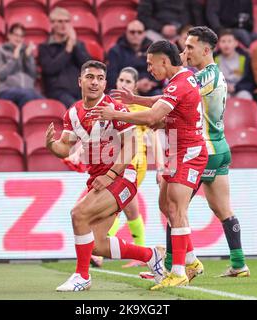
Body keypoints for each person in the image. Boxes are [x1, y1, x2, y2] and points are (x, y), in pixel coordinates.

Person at [111, 27, 250, 279]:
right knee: (221, 210)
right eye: (183, 48)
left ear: (206, 50)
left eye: (189, 48)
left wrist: (175, 67)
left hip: (201, 146)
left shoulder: (202, 77)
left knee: (173, 206)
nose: (185, 52)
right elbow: (169, 97)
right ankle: (239, 264)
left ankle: (174, 265)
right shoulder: (207, 75)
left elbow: (173, 94)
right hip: (218, 145)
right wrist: (139, 99)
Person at [95, 41, 208, 290]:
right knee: (165, 206)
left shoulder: (179, 83)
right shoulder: (182, 79)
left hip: (188, 153)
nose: (148, 68)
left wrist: (117, 114)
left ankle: (178, 271)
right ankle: (191, 261)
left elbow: (151, 117)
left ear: (164, 61)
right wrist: (135, 98)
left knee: (177, 210)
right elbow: (162, 101)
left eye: (150, 63)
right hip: (176, 151)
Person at [45, 60, 165, 292]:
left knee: (78, 214)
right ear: (80, 81)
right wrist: (50, 145)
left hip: (122, 176)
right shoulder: (74, 113)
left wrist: (110, 175)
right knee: (98, 245)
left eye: (100, 78)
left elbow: (131, 146)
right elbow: (65, 148)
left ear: (105, 83)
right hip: (100, 179)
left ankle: (82, 276)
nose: (95, 82)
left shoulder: (115, 108)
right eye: (90, 77)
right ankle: (152, 256)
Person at [93, 67, 165, 269]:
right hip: (114, 162)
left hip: (134, 164)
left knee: (113, 205)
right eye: (121, 80)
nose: (123, 85)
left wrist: (160, 168)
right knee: (129, 208)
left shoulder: (138, 109)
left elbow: (154, 139)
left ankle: (98, 249)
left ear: (133, 86)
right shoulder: (107, 106)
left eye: (127, 82)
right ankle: (143, 254)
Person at [39, 7, 91, 108]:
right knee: (78, 109)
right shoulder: (45, 47)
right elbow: (50, 69)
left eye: (66, 21)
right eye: (60, 21)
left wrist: (74, 45)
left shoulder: (77, 44)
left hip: (80, 90)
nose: (64, 25)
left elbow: (87, 66)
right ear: (52, 24)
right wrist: (68, 49)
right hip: (58, 92)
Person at [0, 23, 43, 108]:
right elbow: (0, 74)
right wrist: (14, 59)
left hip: (28, 90)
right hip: (6, 90)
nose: (18, 39)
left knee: (45, 102)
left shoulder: (26, 51)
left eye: (21, 36)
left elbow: (33, 75)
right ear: (9, 35)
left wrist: (27, 58)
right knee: (28, 95)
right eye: (16, 35)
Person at [107, 20, 160, 96]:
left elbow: (159, 72)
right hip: (123, 89)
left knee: (160, 96)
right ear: (126, 33)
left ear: (144, 34)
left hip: (148, 90)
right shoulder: (115, 51)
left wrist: (150, 83)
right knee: (113, 95)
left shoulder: (153, 50)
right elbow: (111, 78)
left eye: (139, 32)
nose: (136, 35)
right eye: (132, 32)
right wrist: (135, 85)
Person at [137, 0, 205, 43]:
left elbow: (195, 15)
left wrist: (180, 29)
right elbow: (143, 16)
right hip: (155, 32)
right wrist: (161, 28)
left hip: (181, 33)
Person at [214, 29, 254, 100]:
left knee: (246, 96)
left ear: (236, 43)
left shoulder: (245, 58)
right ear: (219, 44)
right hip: (221, 90)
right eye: (223, 41)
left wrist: (236, 88)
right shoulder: (214, 59)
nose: (226, 44)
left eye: (229, 41)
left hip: (240, 89)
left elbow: (249, 81)